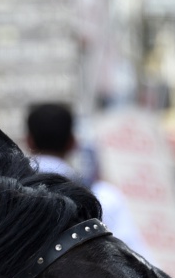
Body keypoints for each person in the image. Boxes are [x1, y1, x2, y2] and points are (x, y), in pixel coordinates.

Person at [23, 102, 151, 258]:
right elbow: (137, 259)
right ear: (73, 142)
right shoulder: (105, 196)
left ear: (28, 140)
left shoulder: (2, 196)